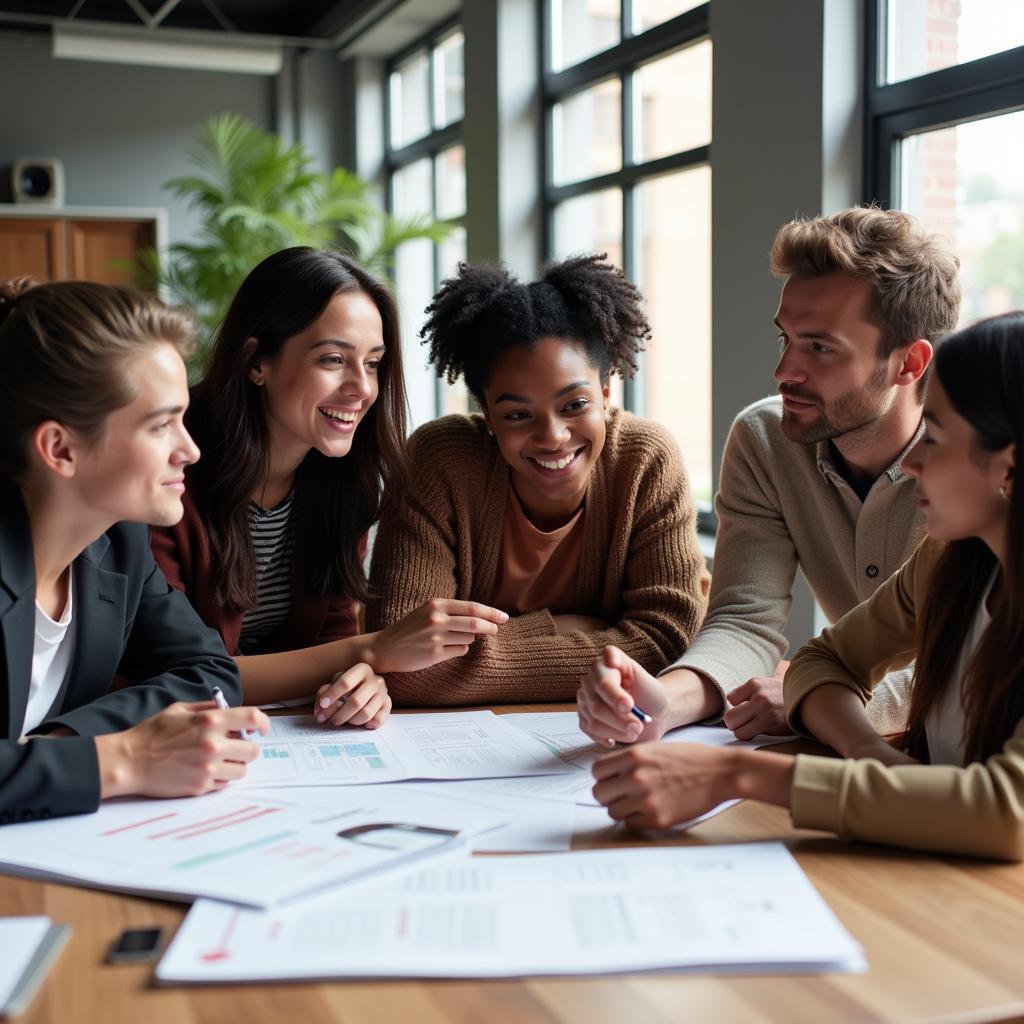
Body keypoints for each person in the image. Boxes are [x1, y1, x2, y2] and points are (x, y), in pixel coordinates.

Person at [591, 311, 1023, 861]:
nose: (913, 462)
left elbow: (1007, 812)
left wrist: (740, 773)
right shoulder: (949, 561)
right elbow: (825, 659)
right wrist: (871, 755)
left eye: (933, 437)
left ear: (1007, 467)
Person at [577, 207, 961, 747]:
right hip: (858, 747)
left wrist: (816, 695)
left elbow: (986, 658)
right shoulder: (766, 439)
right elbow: (744, 621)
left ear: (909, 363)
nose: (784, 372)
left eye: (820, 348)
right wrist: (664, 702)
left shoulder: (983, 463)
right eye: (786, 339)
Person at [151, 247, 507, 727]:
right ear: (257, 362)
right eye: (334, 359)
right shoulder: (168, 473)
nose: (361, 388)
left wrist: (360, 681)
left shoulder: (341, 482)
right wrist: (370, 650)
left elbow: (329, 645)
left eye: (374, 363)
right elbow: (172, 674)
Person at [364, 254, 708, 706]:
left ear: (605, 392)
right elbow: (403, 661)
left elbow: (668, 644)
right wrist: (558, 625)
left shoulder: (645, 462)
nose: (553, 437)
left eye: (574, 405)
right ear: (486, 414)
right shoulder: (441, 461)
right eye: (518, 415)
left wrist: (475, 658)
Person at [0, 278, 268, 825]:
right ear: (61, 448)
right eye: (161, 424)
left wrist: (63, 742)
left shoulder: (118, 541)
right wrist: (122, 759)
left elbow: (210, 669)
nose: (189, 449)